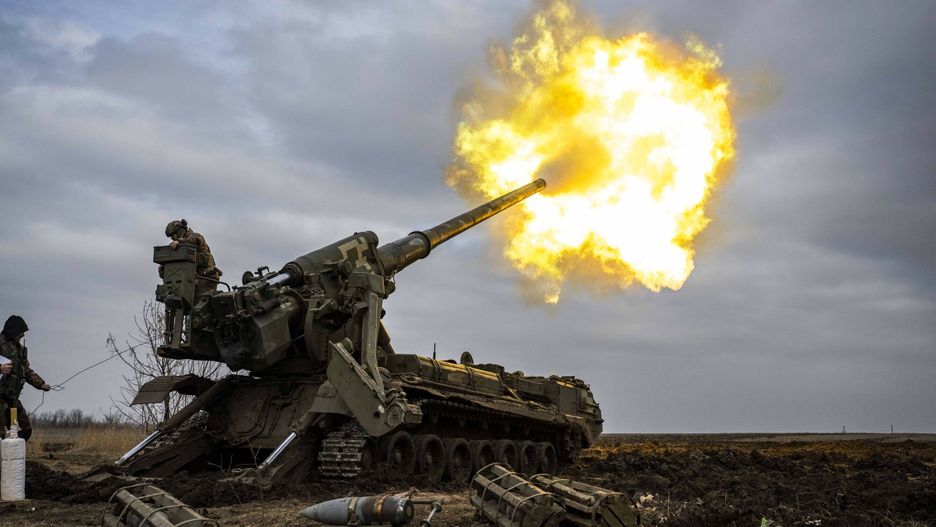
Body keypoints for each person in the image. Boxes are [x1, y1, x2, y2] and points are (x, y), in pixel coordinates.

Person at [0, 315, 51, 440]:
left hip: (12, 398)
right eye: (21, 332)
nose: (23, 335)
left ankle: (14, 452)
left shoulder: (20, 350)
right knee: (0, 433)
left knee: (24, 429)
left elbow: (26, 370)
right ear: (13, 331)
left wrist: (41, 384)